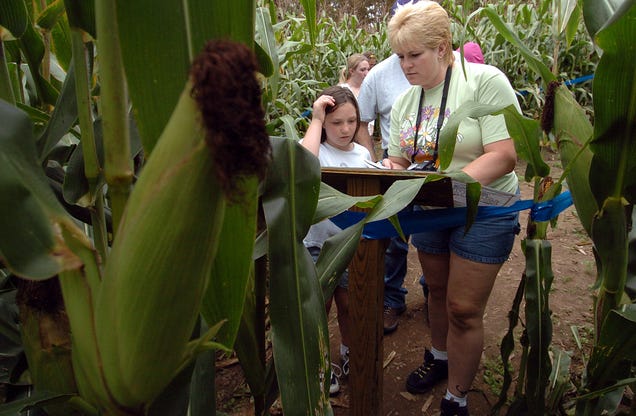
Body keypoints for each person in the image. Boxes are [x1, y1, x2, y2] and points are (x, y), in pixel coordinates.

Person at [381, 2, 521, 415]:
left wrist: (447, 185)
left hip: (484, 210)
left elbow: (503, 156)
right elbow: (399, 161)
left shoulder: (484, 83)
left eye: (414, 55)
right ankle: (440, 357)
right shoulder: (407, 102)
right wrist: (385, 169)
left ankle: (457, 396)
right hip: (431, 211)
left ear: (442, 47)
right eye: (400, 56)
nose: (405, 65)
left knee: (463, 307)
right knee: (437, 291)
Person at [356, 0, 424, 335]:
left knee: (437, 230)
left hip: (440, 167)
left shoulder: (447, 67)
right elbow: (361, 121)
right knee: (396, 237)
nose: (409, 63)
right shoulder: (379, 75)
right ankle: (392, 298)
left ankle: (433, 292)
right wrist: (372, 161)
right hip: (395, 165)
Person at [300, 85, 373, 396]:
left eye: (351, 121)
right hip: (317, 245)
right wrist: (316, 120)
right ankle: (318, 364)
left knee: (348, 303)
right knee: (320, 307)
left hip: (349, 242)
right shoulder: (318, 148)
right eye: (335, 122)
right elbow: (302, 166)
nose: (345, 129)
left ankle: (348, 354)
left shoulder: (363, 154)